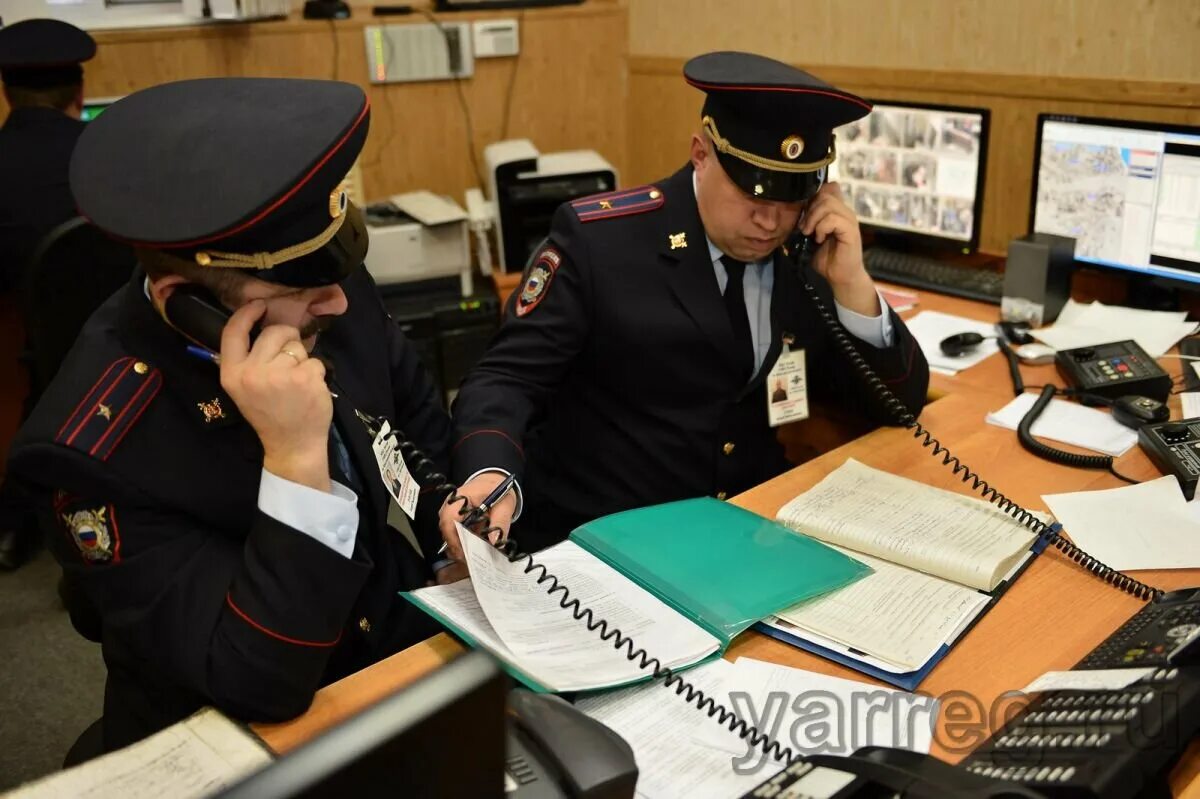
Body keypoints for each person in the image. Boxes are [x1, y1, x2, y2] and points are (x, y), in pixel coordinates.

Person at [7, 77, 452, 753]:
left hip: (398, 664)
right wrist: (296, 459)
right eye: (302, 287)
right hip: (242, 733)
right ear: (189, 301)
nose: (338, 302)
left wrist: (452, 527)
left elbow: (414, 412)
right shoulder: (91, 450)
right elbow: (259, 676)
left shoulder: (325, 292)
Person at [439, 52, 930, 559]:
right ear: (701, 153)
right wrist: (489, 475)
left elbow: (898, 405)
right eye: (752, 196)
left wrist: (852, 284)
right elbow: (506, 377)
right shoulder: (599, 242)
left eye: (790, 202)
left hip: (748, 531)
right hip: (607, 542)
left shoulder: (803, 255)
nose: (769, 222)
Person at [0, 18, 97, 570]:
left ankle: (16, 521)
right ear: (79, 92)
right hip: (125, 349)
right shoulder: (112, 158)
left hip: (31, 351)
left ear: (6, 93)